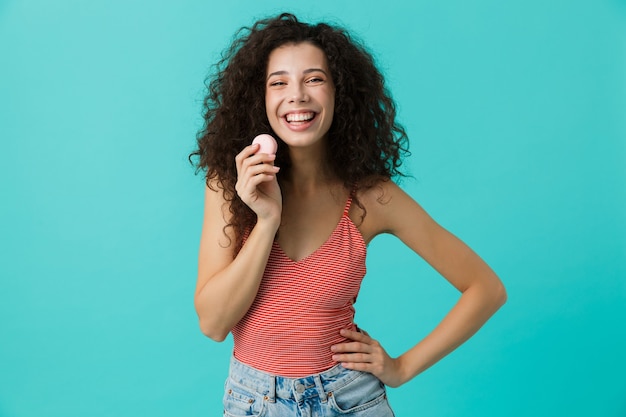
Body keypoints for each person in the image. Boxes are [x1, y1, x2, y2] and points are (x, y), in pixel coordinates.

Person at [190, 13, 507, 416]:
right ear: (260, 99)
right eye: (279, 82)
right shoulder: (231, 184)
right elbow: (214, 324)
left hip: (350, 399)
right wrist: (266, 220)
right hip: (254, 401)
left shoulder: (372, 197)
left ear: (340, 92)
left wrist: (402, 367)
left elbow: (486, 288)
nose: (297, 95)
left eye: (314, 79)